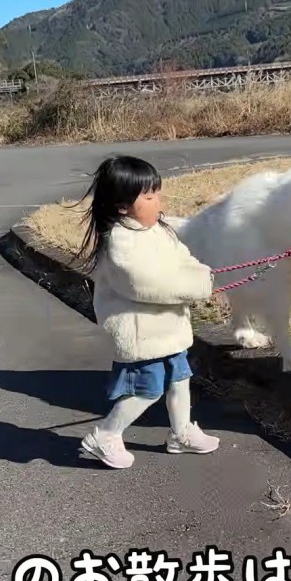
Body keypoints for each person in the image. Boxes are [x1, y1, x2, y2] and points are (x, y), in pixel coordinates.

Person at [70, 155, 220, 469]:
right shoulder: (120, 243)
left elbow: (182, 258)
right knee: (147, 390)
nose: (158, 202)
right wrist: (197, 285)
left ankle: (181, 433)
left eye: (158, 194)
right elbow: (148, 284)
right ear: (122, 206)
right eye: (149, 197)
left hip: (167, 330)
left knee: (180, 378)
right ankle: (106, 435)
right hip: (142, 336)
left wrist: (199, 273)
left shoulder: (158, 230)